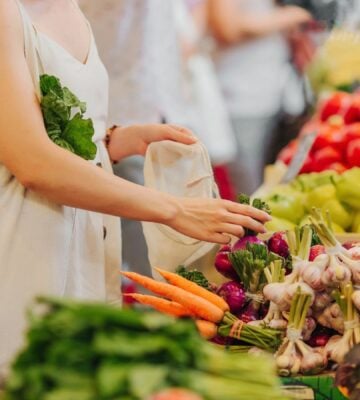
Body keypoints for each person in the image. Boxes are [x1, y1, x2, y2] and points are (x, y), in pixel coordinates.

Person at [0, 0, 270, 367]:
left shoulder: (67, 6)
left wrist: (116, 140)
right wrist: (174, 209)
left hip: (80, 245)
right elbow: (32, 161)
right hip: (23, 243)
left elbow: (57, 129)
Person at [208, 0, 313, 195]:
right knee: (253, 193)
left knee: (272, 187)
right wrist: (287, 16)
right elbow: (225, 27)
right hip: (242, 99)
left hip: (268, 96)